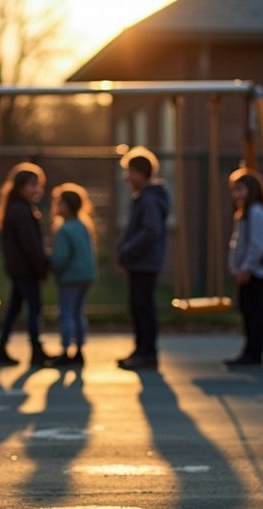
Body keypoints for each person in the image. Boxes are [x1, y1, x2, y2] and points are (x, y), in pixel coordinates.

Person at [0, 162, 54, 367]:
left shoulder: (17, 208)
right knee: (34, 308)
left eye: (39, 185)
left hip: (19, 268)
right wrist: (42, 266)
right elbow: (30, 245)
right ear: (20, 187)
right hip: (25, 269)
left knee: (15, 308)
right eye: (32, 185)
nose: (37, 190)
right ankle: (36, 349)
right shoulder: (22, 212)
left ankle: (1, 348)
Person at [116, 147, 170, 370]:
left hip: (144, 262)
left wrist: (129, 250)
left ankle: (147, 352)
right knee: (139, 307)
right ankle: (141, 349)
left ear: (140, 173)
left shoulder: (148, 199)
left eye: (129, 172)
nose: (126, 177)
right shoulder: (143, 198)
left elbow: (151, 231)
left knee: (143, 307)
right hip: (141, 262)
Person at [225, 167, 263, 367]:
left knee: (254, 311)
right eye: (234, 190)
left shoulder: (256, 212)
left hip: (256, 272)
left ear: (252, 189)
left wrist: (246, 268)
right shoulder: (245, 213)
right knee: (248, 310)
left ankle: (254, 352)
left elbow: (257, 245)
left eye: (240, 189)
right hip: (247, 270)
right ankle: (249, 350)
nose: (236, 194)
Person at [49, 183, 97, 366]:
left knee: (66, 313)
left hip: (70, 277)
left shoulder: (64, 230)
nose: (57, 207)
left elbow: (61, 257)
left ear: (66, 206)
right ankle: (79, 348)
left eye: (59, 203)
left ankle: (65, 349)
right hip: (85, 276)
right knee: (78, 313)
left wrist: (51, 264)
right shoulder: (83, 226)